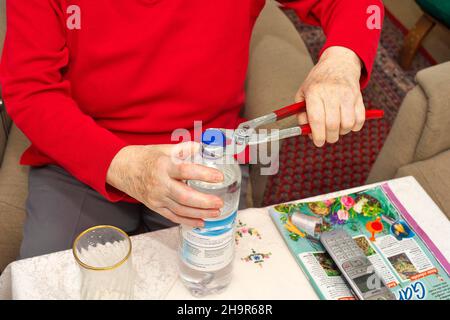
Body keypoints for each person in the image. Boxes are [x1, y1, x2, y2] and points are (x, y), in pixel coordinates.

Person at [0, 0, 383, 258]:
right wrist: (119, 164)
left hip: (206, 153)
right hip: (85, 154)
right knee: (54, 279)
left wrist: (341, 60)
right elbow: (29, 87)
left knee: (213, 285)